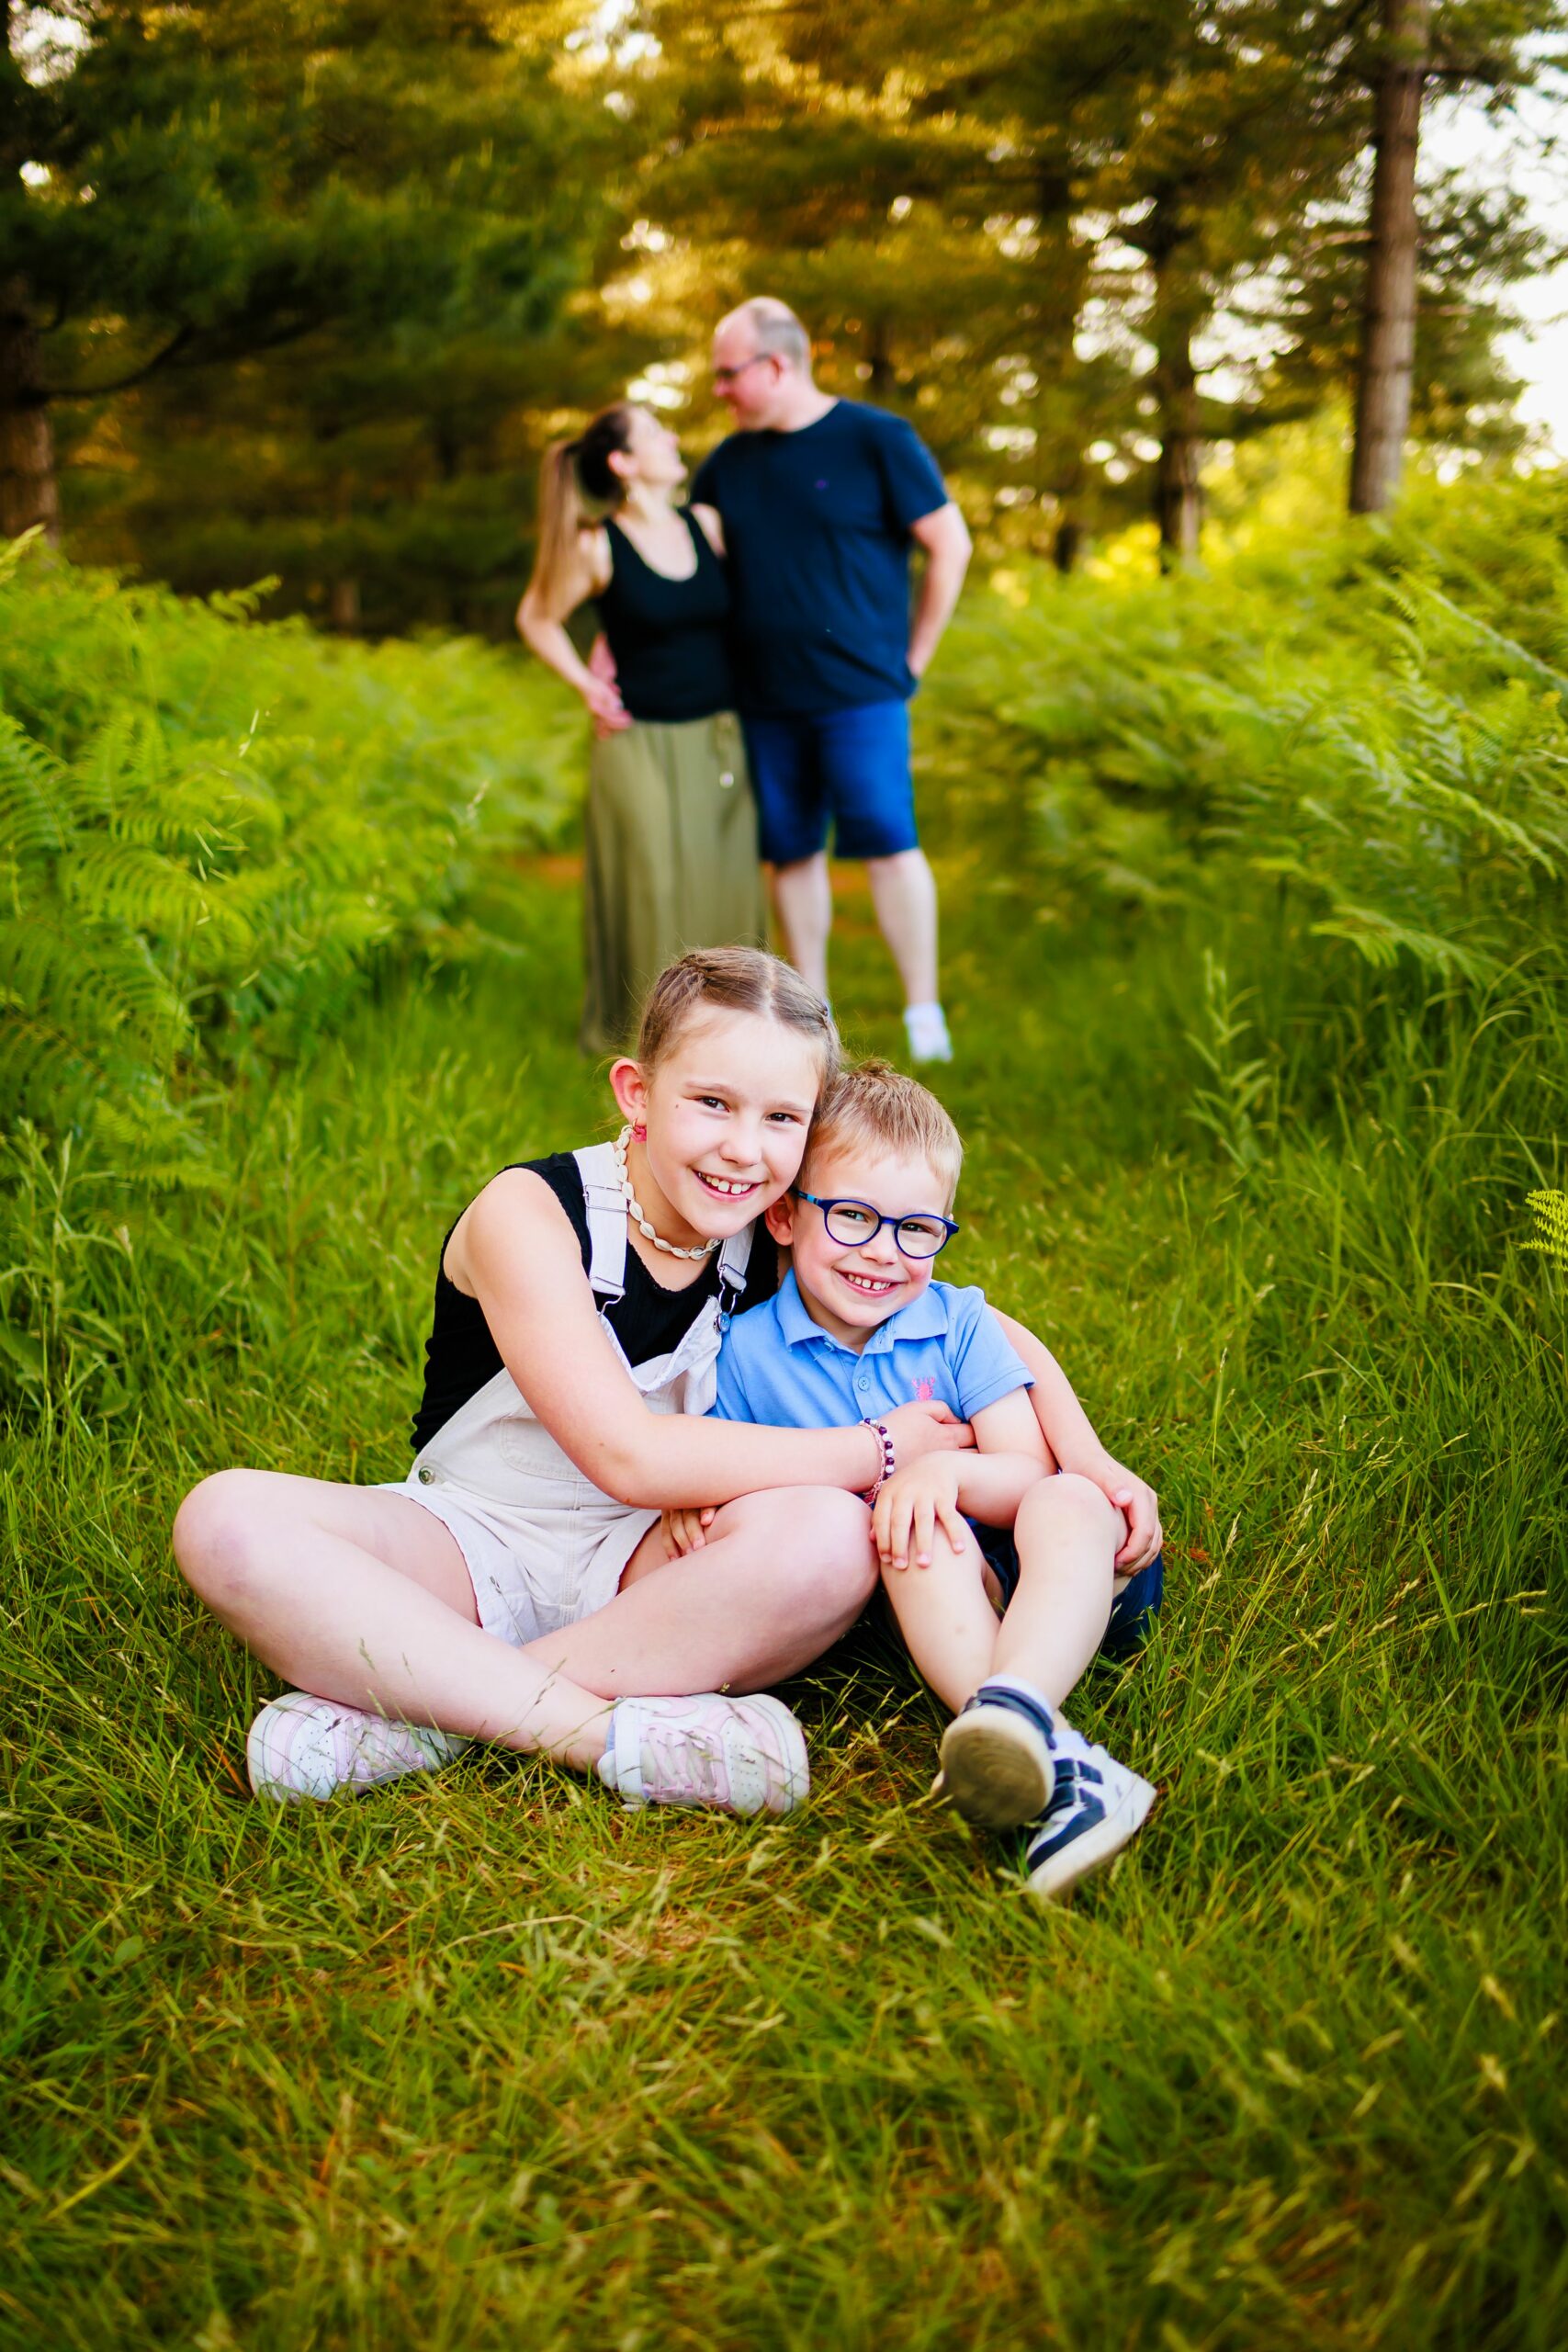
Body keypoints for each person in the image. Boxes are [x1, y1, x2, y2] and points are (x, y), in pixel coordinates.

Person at [173, 950, 976, 1813]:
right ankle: (608, 1736)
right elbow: (626, 1456)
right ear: (637, 1093)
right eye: (711, 1103)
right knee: (226, 1521)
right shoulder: (532, 1211)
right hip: (468, 1543)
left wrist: (1065, 1445)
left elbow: (954, 1316)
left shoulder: (770, 1234)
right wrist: (879, 1448)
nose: (743, 1150)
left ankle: (429, 1711)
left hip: (652, 1564)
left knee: (831, 1538)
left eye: (781, 1118)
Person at [672, 1060, 1162, 1899]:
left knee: (1066, 1495)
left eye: (916, 1229)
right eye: (852, 1216)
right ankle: (1050, 1760)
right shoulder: (745, 1354)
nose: (883, 1253)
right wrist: (699, 1502)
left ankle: (1014, 1716)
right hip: (935, 1601)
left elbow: (1025, 1471)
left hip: (1069, 1581)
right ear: (784, 1216)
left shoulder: (957, 1322)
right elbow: (738, 1480)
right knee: (912, 1534)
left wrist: (942, 1473)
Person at [690, 296, 973, 1065]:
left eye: (728, 374)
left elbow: (950, 545)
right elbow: (680, 564)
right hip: (765, 696)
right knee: (791, 852)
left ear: (777, 365)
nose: (718, 389)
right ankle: (810, 1017)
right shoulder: (726, 464)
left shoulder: (876, 438)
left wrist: (913, 659)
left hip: (862, 694)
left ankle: (924, 1014)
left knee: (888, 840)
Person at [518, 403, 766, 1055]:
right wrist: (587, 684)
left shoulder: (706, 525)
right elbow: (536, 617)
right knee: (651, 889)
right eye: (655, 433)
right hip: (635, 742)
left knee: (723, 890)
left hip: (716, 737)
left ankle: (734, 1033)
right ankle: (654, 1044)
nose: (673, 437)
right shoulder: (598, 545)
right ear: (622, 462)